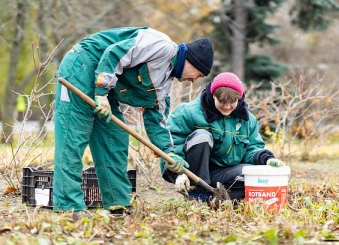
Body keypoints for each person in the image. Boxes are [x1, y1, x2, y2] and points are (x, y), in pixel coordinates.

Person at [53, 26, 214, 215]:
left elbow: (157, 121)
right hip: (83, 66)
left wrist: (169, 153)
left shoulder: (164, 83)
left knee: (115, 139)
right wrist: (102, 93)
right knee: (73, 137)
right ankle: (68, 207)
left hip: (105, 90)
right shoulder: (161, 45)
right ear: (191, 61)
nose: (194, 80)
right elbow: (115, 53)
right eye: (199, 74)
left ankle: (118, 204)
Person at [162, 72, 284, 201]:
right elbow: (172, 144)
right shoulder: (188, 112)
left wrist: (266, 159)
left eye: (232, 102)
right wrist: (179, 174)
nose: (227, 107)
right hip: (194, 173)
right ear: (213, 95)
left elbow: (252, 148)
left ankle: (215, 197)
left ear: (240, 98)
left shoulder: (248, 121)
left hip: (224, 173)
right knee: (201, 136)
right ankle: (197, 193)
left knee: (251, 174)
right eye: (221, 101)